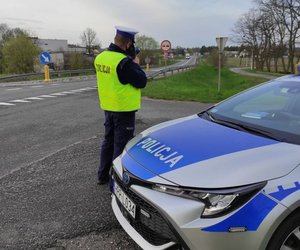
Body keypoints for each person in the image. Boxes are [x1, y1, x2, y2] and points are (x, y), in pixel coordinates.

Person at [94, 26, 147, 185]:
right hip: (123, 111)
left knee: (108, 142)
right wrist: (136, 63)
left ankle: (102, 176)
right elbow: (141, 81)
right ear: (128, 44)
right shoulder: (124, 63)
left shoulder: (101, 58)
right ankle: (116, 184)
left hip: (108, 108)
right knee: (120, 147)